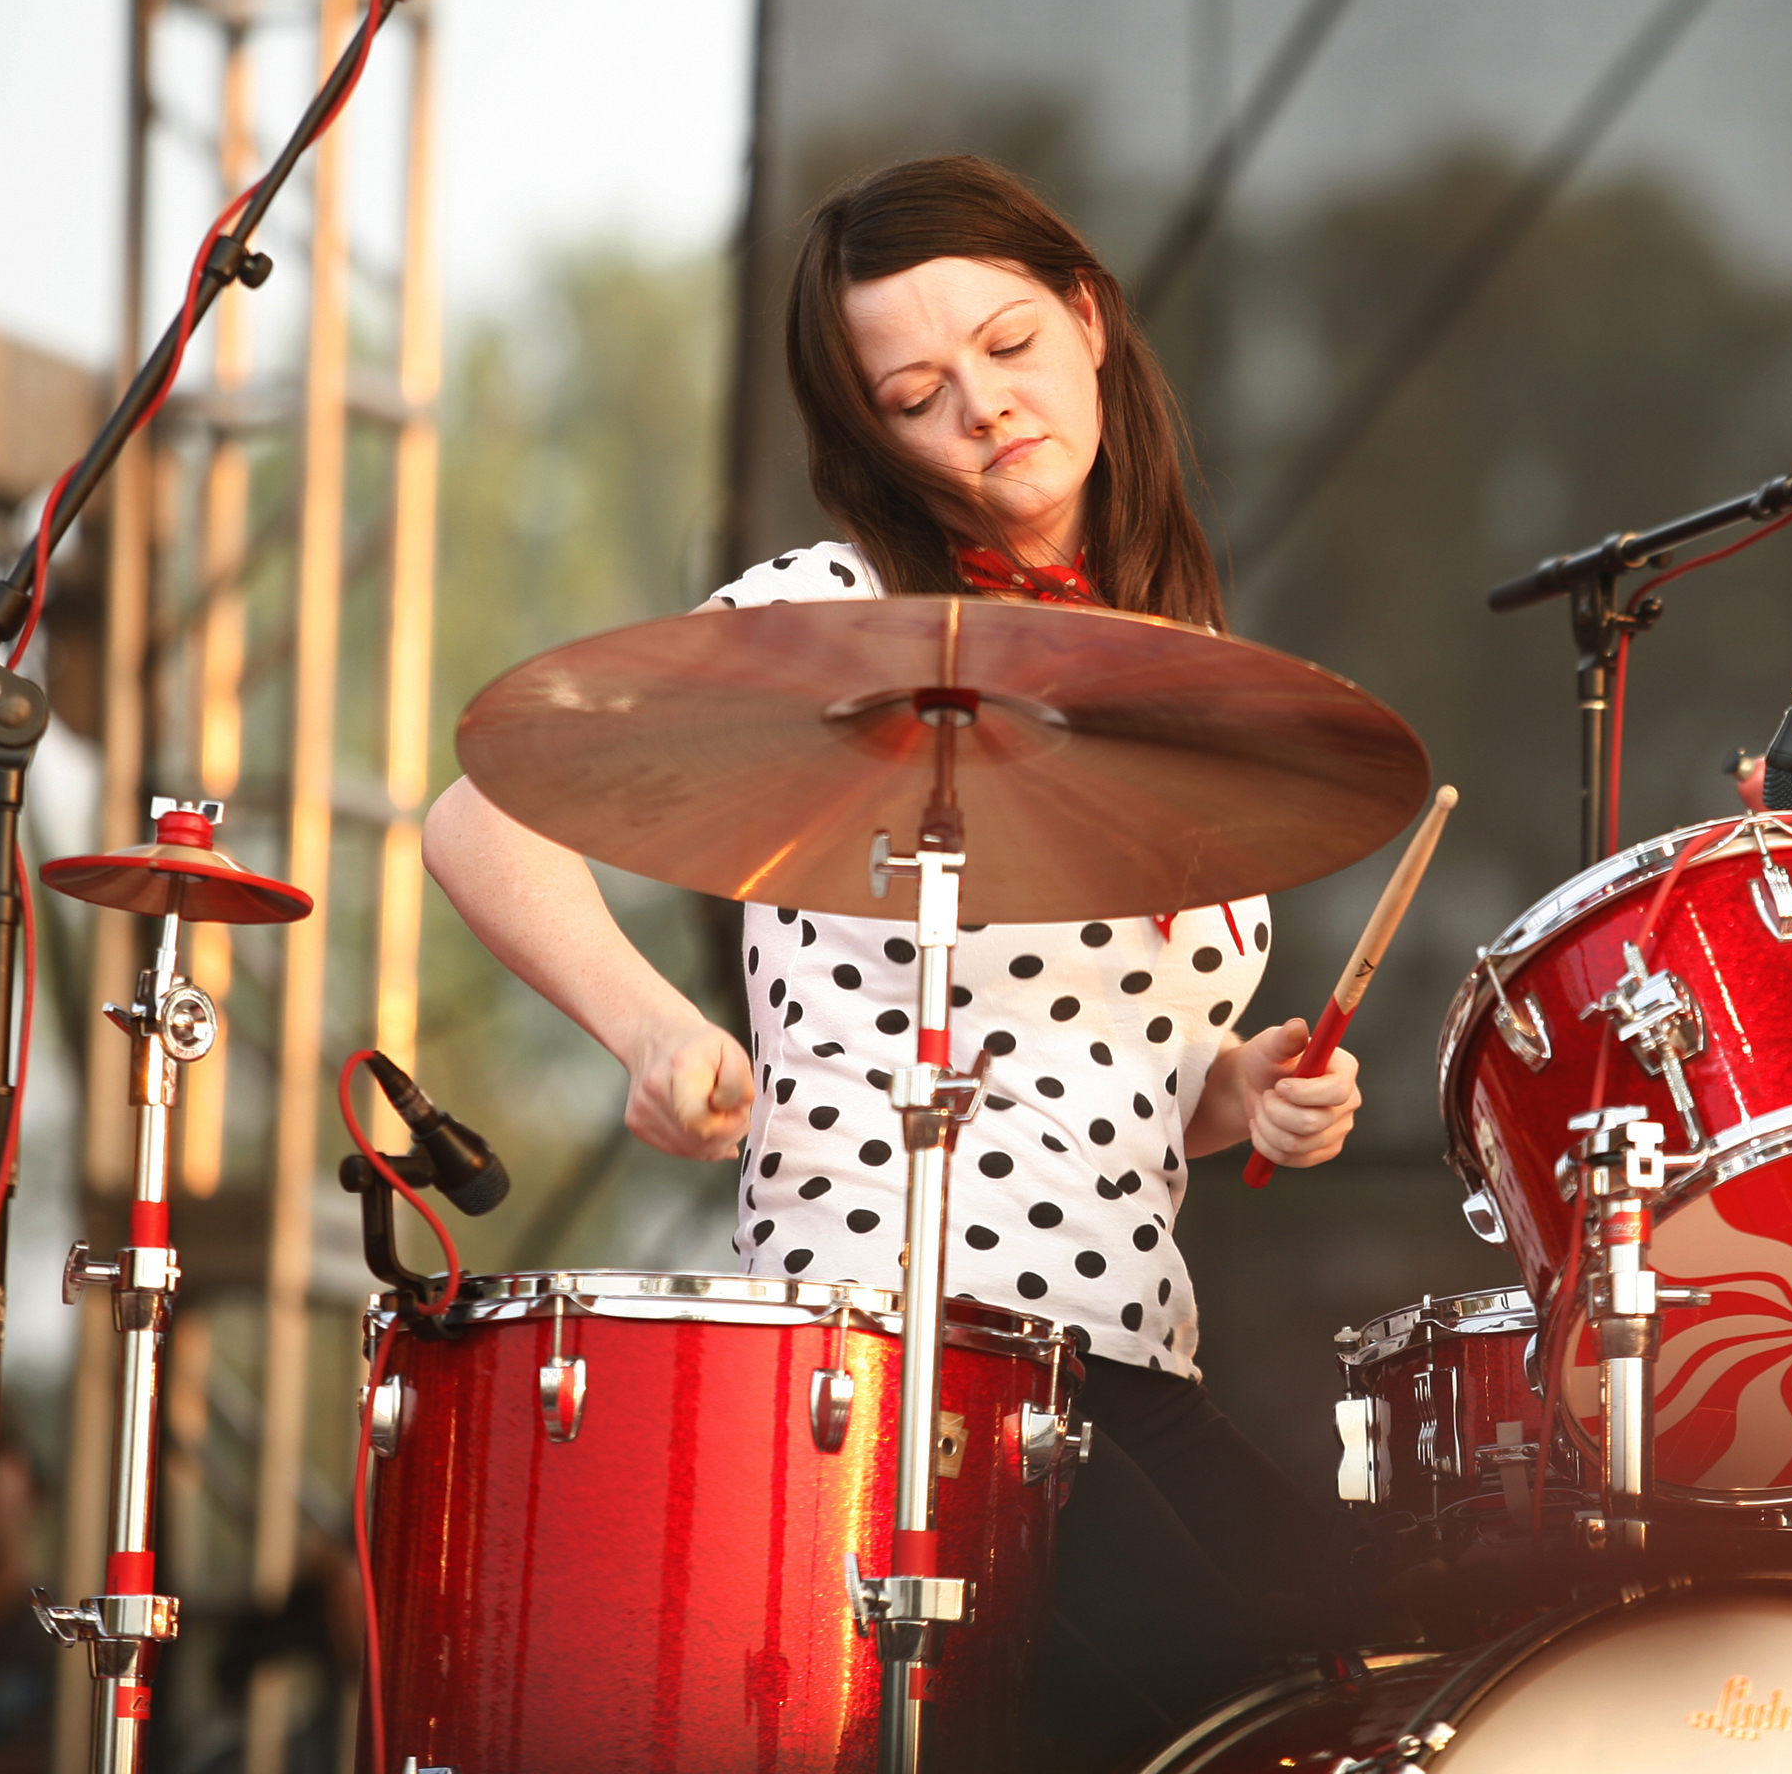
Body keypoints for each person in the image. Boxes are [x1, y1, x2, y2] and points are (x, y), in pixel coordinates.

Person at [421, 153, 1369, 1765]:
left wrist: (1237, 1090)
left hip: (1128, 1341)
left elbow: (1122, 1063)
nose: (985, 410)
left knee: (1384, 1662)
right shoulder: (844, 615)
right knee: (1235, 1698)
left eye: (1007, 347)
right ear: (875, 435)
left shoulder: (1175, 665)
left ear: (1085, 315)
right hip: (909, 1335)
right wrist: (655, 1033)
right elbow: (479, 816)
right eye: (920, 393)